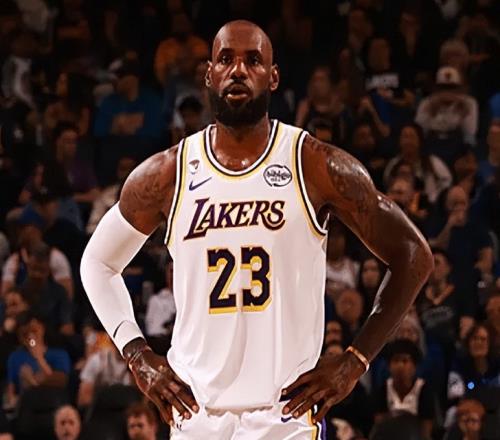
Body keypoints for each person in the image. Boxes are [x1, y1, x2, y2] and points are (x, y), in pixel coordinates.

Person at [81, 20, 433, 439]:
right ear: (208, 74)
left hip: (284, 416)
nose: (238, 70)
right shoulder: (168, 173)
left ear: (273, 76)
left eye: (253, 61)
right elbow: (97, 263)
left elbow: (413, 255)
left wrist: (356, 359)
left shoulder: (313, 164)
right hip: (195, 415)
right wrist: (137, 355)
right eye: (225, 59)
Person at [5, 312, 71, 409]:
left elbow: (60, 382)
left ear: (42, 329)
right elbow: (11, 390)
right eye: (25, 334)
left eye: (34, 331)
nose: (30, 337)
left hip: (53, 404)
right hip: (26, 407)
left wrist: (39, 358)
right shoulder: (15, 357)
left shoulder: (59, 354)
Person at [373, 339, 435, 440]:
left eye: (405, 361)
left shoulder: (424, 391)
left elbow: (426, 433)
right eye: (396, 360)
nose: (400, 366)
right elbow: (379, 427)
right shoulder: (383, 390)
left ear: (414, 366)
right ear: (389, 366)